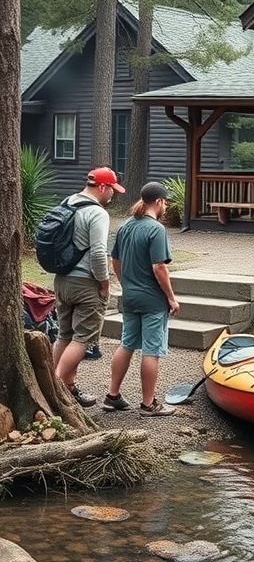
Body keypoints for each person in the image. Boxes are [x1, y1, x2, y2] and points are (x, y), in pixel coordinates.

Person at [104, 181, 180, 417]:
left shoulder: (126, 225)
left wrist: (125, 283)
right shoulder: (156, 229)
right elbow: (159, 267)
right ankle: (149, 404)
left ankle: (112, 396)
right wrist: (171, 297)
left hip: (130, 297)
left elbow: (115, 260)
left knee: (127, 344)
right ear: (158, 202)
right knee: (151, 350)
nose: (165, 205)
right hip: (151, 300)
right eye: (165, 201)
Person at [52, 167, 125, 407]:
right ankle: (57, 390)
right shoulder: (97, 213)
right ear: (102, 187)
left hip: (62, 280)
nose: (113, 195)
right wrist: (104, 284)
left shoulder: (68, 202)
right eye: (112, 190)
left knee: (65, 335)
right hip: (85, 283)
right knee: (83, 339)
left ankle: (65, 388)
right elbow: (97, 254)